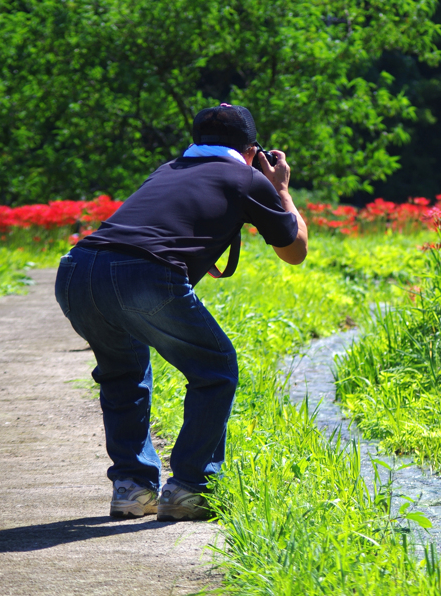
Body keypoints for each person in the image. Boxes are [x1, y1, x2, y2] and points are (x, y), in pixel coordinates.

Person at [54, 103, 307, 521]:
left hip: (78, 269)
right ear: (253, 149)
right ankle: (191, 488)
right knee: (215, 367)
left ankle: (133, 488)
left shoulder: (166, 169)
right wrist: (280, 187)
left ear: (195, 141)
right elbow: (294, 250)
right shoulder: (246, 177)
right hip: (142, 273)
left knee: (123, 373)